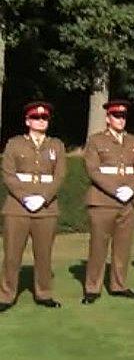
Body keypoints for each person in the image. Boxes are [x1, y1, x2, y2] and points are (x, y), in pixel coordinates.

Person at [0, 101, 66, 311]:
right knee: (12, 255)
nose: (41, 121)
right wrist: (25, 197)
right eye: (36, 118)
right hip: (17, 208)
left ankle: (44, 293)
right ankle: (6, 295)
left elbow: (59, 175)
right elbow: (8, 174)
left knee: (44, 254)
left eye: (44, 118)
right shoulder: (14, 144)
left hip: (46, 208)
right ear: (28, 121)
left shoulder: (56, 145)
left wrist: (44, 197)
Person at [81, 99, 134, 304]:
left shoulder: (133, 142)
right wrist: (116, 190)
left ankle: (119, 285)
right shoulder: (96, 141)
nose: (121, 120)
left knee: (123, 247)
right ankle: (93, 288)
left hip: (128, 203)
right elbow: (93, 170)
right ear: (108, 119)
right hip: (102, 201)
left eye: (123, 116)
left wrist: (131, 189)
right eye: (116, 116)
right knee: (98, 246)